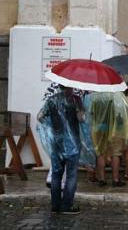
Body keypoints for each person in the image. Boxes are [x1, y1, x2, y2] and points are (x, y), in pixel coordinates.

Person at [36, 85, 84, 214]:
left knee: (56, 175)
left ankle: (55, 206)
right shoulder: (76, 100)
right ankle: (67, 206)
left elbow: (40, 117)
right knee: (71, 175)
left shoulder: (51, 100)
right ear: (71, 86)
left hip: (56, 143)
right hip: (72, 144)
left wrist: (51, 127)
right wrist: (79, 111)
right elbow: (81, 119)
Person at [90, 92, 128, 187]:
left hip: (99, 128)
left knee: (100, 152)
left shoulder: (96, 96)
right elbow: (122, 113)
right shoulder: (118, 95)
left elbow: (92, 113)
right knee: (115, 154)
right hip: (114, 129)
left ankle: (102, 179)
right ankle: (115, 179)